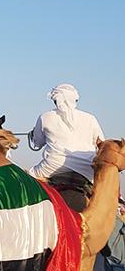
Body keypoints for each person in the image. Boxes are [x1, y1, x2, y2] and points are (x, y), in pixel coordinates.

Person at [28, 83, 106, 211]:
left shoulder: (45, 117)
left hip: (52, 167)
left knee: (28, 178)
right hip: (86, 170)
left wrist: (33, 134)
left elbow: (37, 143)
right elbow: (100, 144)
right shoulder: (90, 118)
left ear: (55, 100)